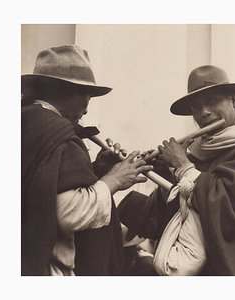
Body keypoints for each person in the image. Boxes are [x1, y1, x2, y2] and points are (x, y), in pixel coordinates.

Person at [118, 65, 235, 276]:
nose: (204, 112)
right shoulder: (198, 151)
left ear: (234, 100)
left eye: (213, 101)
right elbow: (169, 221)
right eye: (196, 107)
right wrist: (165, 173)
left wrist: (183, 167)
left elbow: (226, 207)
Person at [21, 44, 153, 276]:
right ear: (70, 91)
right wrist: (114, 180)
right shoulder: (58, 132)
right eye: (88, 96)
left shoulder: (25, 122)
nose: (86, 110)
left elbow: (42, 192)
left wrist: (98, 170)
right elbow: (68, 214)